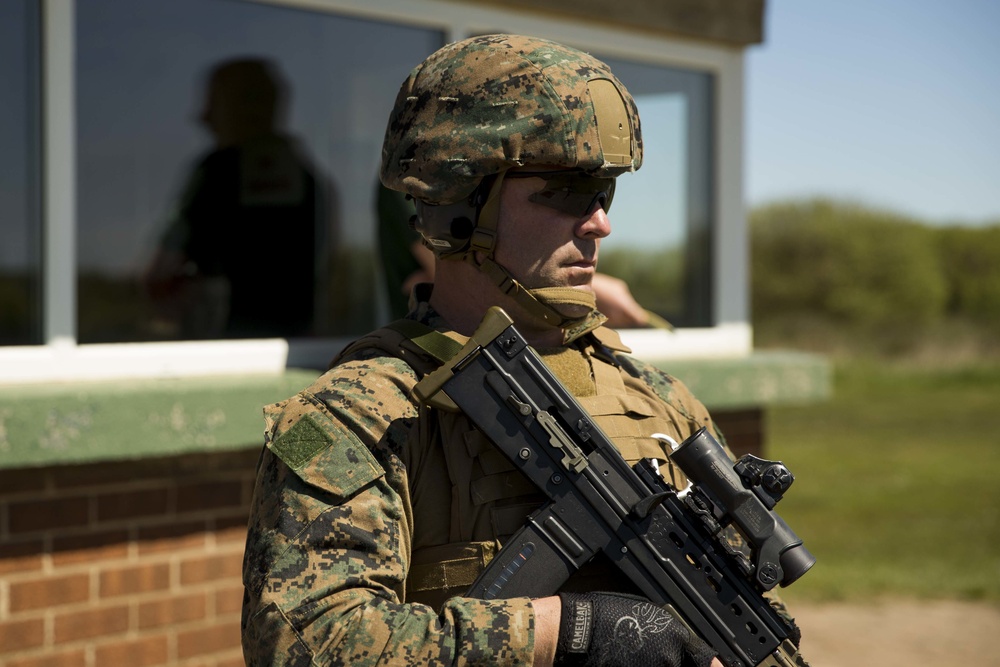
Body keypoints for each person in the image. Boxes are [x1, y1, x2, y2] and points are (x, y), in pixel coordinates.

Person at [242, 35, 794, 666]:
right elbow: (305, 643)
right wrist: (568, 631)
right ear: (456, 199)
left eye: (604, 191)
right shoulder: (352, 416)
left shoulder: (658, 399)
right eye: (564, 192)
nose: (598, 223)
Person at [143, 58, 335, 339]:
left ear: (245, 108)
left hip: (222, 348)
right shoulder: (308, 177)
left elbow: (158, 274)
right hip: (294, 342)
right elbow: (328, 265)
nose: (202, 117)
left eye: (213, 103)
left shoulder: (216, 172)